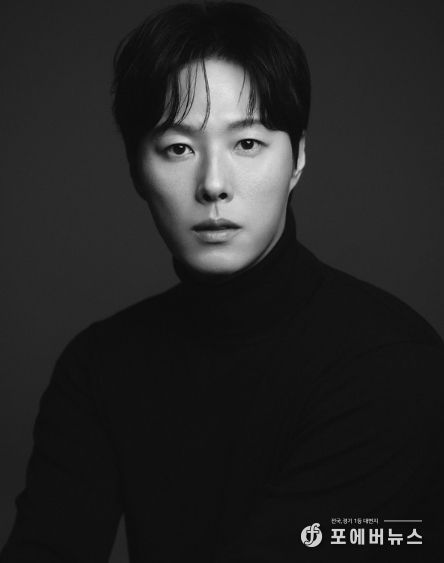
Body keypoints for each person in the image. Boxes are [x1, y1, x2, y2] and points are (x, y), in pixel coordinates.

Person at [1, 1, 443, 561]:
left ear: (298, 158)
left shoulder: (392, 362)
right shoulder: (98, 367)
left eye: (247, 143)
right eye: (178, 148)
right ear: (136, 169)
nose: (213, 184)